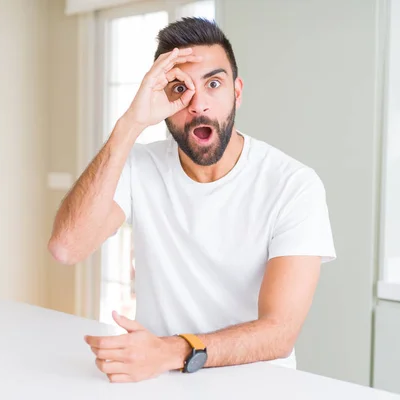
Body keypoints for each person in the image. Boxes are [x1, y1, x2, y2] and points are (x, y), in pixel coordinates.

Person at [48, 17, 336, 383]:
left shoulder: (294, 185)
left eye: (213, 84)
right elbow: (66, 248)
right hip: (160, 381)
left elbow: (280, 331)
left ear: (237, 91)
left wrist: (171, 351)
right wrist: (129, 125)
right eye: (179, 88)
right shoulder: (140, 166)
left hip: (259, 385)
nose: (198, 104)